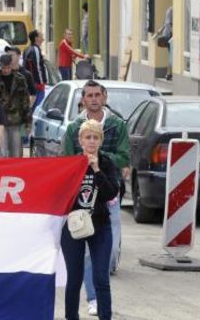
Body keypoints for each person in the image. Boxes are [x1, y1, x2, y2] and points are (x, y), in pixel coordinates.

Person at [62, 80, 129, 309]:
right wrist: (80, 163)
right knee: (77, 271)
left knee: (107, 263)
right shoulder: (73, 127)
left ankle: (98, 303)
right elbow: (64, 166)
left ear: (104, 97)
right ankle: (85, 305)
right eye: (89, 95)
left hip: (104, 209)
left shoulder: (117, 126)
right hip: (77, 215)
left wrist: (99, 164)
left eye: (97, 95)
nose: (93, 99)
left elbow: (122, 161)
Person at [61, 120, 120, 320]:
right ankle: (71, 316)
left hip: (100, 225)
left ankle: (105, 316)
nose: (92, 141)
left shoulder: (106, 164)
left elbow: (111, 193)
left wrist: (96, 170)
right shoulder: (72, 163)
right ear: (81, 140)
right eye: (88, 137)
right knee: (74, 278)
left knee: (101, 279)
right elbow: (59, 192)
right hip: (74, 226)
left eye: (96, 138)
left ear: (101, 141)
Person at [0, 54, 31, 158]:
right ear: (0, 66)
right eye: (3, 67)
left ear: (11, 65)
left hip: (16, 121)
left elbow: (25, 101)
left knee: (16, 152)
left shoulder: (20, 79)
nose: (6, 70)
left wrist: (28, 122)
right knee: (1, 153)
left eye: (8, 67)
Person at [24, 30, 48, 108]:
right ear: (36, 38)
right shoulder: (35, 50)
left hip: (31, 82)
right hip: (37, 84)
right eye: (41, 36)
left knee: (31, 105)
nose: (43, 39)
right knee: (38, 106)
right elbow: (38, 67)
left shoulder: (27, 49)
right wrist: (41, 82)